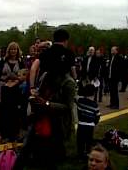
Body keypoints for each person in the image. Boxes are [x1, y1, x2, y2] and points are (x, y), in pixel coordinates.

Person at [14, 29, 76, 170]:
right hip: (40, 118)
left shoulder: (68, 83)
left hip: (56, 124)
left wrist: (47, 103)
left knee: (48, 156)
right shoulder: (46, 77)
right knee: (28, 148)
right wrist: (34, 94)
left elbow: (67, 107)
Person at [0, 42, 25, 156]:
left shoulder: (21, 62)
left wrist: (16, 79)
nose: (13, 51)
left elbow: (23, 76)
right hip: (4, 91)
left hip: (15, 91)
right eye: (11, 49)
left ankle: (14, 144)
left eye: (15, 50)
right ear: (8, 51)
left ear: (17, 50)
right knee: (4, 116)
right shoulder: (2, 61)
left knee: (14, 116)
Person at [76, 84, 101, 159]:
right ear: (93, 93)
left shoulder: (80, 101)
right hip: (90, 126)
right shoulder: (95, 105)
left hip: (81, 124)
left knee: (80, 141)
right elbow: (97, 116)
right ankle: (88, 154)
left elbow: (78, 110)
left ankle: (80, 155)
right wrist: (94, 123)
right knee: (88, 141)